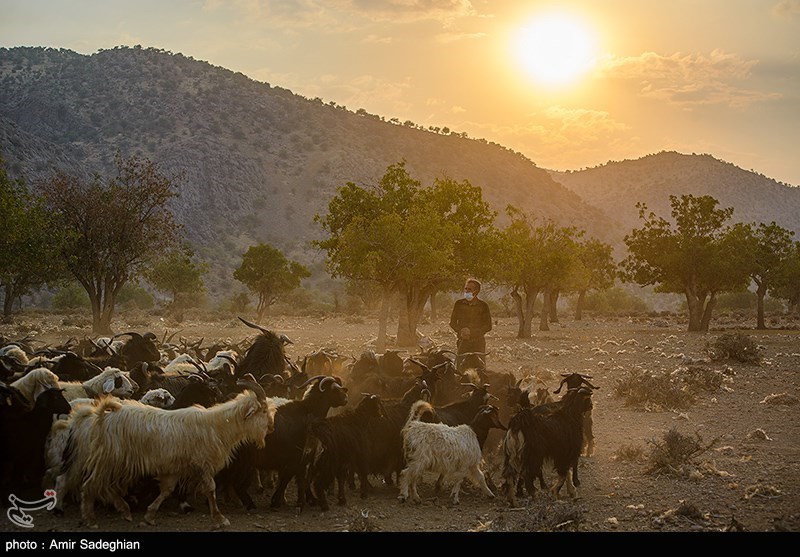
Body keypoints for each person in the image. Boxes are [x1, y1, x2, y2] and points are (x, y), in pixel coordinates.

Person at [449, 278, 492, 371]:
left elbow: (488, 326)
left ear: (476, 291)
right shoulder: (459, 304)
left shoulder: (483, 306)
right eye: (466, 288)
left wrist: (471, 332)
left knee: (480, 371)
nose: (467, 291)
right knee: (460, 370)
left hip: (478, 343)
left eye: (470, 289)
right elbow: (452, 323)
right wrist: (461, 331)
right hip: (463, 342)